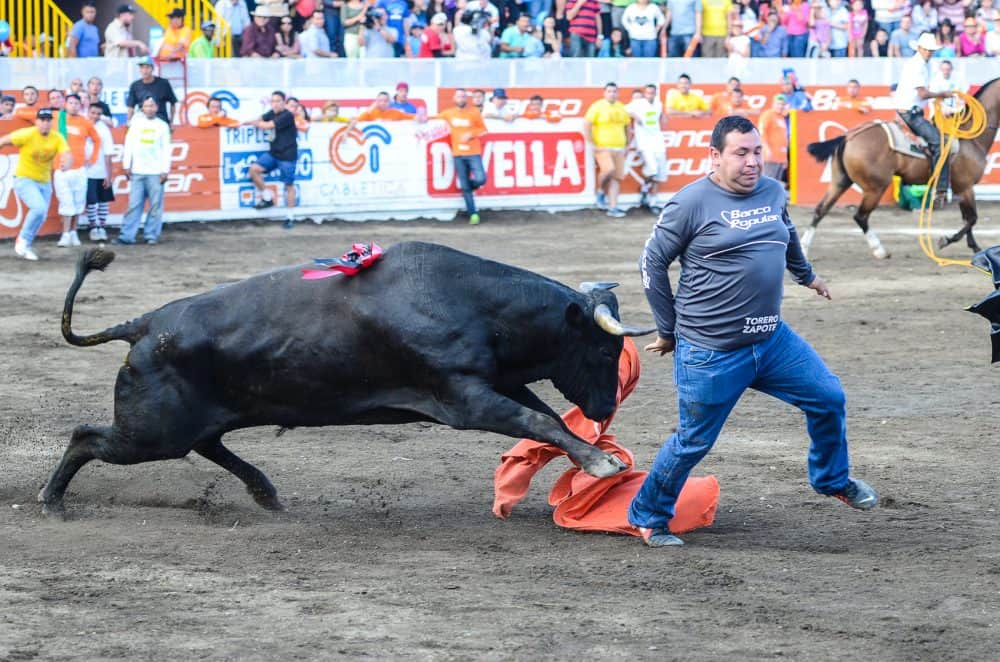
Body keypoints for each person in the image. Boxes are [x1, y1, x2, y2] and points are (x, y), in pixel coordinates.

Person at [628, 115, 878, 548]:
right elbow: (651, 263)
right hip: (712, 351)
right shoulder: (690, 203)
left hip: (771, 339)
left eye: (757, 151)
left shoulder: (772, 190)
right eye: (741, 153)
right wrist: (667, 330)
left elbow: (787, 232)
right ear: (715, 156)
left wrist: (806, 276)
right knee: (693, 441)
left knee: (829, 398)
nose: (752, 161)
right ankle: (648, 515)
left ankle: (831, 479)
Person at [0, 108, 69, 261]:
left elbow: (66, 153)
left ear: (52, 122)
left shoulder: (57, 137)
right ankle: (22, 240)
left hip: (44, 182)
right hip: (24, 178)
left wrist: (67, 163)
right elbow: (4, 140)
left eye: (48, 120)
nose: (45, 123)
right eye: (42, 120)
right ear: (37, 121)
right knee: (38, 208)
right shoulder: (27, 134)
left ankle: (25, 246)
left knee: (41, 215)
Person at [894, 32, 954, 203]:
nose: (929, 53)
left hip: (909, 111)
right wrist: (942, 94)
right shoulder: (917, 66)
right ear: (920, 48)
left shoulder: (917, 65)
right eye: (927, 50)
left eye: (931, 50)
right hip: (910, 114)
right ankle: (940, 188)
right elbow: (922, 93)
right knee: (940, 144)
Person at [116, 97, 172, 246]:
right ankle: (127, 236)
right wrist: (126, 164)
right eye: (146, 106)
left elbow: (166, 149)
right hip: (137, 170)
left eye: (152, 105)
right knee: (134, 204)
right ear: (142, 108)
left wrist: (165, 170)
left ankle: (151, 235)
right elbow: (129, 145)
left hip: (156, 171)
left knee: (155, 205)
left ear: (156, 107)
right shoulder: (135, 124)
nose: (149, 108)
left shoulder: (162, 126)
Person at [431, 88, 488, 225]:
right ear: (454, 98)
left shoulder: (474, 112)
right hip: (457, 153)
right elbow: (433, 120)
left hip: (473, 152)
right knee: (465, 186)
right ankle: (473, 213)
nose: (461, 98)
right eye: (459, 96)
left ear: (466, 99)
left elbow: (483, 129)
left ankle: (468, 187)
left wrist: (471, 134)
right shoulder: (448, 113)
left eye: (463, 96)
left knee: (480, 179)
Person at [243, 91, 298, 227]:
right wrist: (245, 122)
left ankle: (290, 217)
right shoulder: (272, 113)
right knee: (254, 170)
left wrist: (254, 123)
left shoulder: (287, 115)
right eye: (273, 101)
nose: (275, 103)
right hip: (274, 153)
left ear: (284, 102)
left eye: (278, 101)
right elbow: (261, 117)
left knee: (289, 186)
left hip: (287, 155)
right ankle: (267, 198)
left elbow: (268, 125)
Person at [53, 93, 101, 248]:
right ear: (65, 104)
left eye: (76, 103)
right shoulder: (56, 118)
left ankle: (73, 232)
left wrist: (93, 158)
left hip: (80, 169)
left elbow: (97, 140)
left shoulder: (85, 122)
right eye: (70, 103)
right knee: (66, 202)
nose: (73, 105)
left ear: (81, 105)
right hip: (62, 169)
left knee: (78, 203)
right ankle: (65, 234)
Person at [584, 82, 632, 219]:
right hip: (603, 147)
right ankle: (600, 191)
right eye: (609, 91)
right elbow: (587, 124)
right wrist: (592, 143)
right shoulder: (597, 106)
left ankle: (613, 207)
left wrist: (627, 144)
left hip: (619, 147)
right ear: (604, 93)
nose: (612, 93)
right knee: (608, 170)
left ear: (618, 93)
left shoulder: (621, 107)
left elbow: (627, 126)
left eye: (614, 91)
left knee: (616, 178)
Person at [625, 84, 668, 212]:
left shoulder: (658, 104)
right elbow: (624, 109)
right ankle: (644, 188)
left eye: (652, 93)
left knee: (660, 173)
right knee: (653, 169)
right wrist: (634, 116)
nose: (650, 95)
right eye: (648, 93)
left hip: (658, 141)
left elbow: (659, 117)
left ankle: (652, 202)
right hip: (644, 142)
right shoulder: (639, 103)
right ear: (645, 93)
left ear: (655, 93)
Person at [84, 102, 114, 242]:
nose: (95, 116)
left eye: (98, 114)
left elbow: (108, 153)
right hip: (86, 171)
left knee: (103, 201)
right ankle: (93, 227)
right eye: (93, 113)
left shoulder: (104, 129)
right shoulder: (81, 125)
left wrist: (109, 174)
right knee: (91, 201)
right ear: (88, 112)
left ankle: (101, 227)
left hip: (101, 170)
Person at [126, 56, 178, 125]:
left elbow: (173, 103)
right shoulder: (135, 86)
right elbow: (131, 107)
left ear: (152, 68)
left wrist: (171, 122)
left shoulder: (164, 83)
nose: (144, 71)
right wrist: (129, 121)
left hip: (161, 120)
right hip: (143, 120)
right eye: (142, 67)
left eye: (147, 67)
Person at [758, 92, 788, 181]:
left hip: (780, 158)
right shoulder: (768, 115)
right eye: (778, 104)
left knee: (775, 184)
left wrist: (785, 158)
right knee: (767, 183)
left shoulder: (781, 117)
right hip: (770, 156)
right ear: (773, 104)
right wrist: (766, 148)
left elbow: (783, 139)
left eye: (782, 104)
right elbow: (761, 132)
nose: (780, 106)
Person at [351, 91, 415, 123]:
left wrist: (420, 118)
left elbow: (411, 117)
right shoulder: (371, 113)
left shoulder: (396, 113)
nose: (383, 103)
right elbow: (358, 120)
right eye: (380, 101)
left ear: (389, 102)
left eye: (385, 101)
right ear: (377, 102)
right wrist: (371, 108)